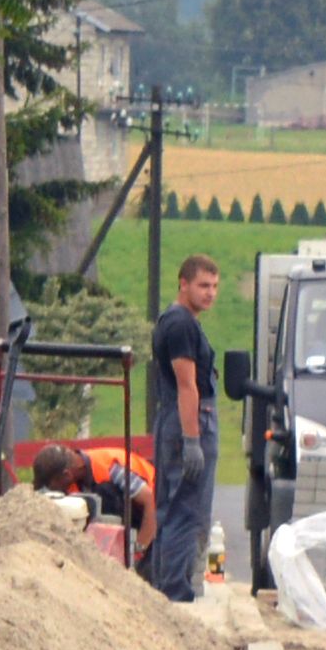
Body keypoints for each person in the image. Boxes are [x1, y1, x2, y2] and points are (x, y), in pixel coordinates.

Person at [142, 253, 224, 601]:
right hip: (188, 418)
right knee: (184, 508)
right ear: (184, 283)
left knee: (174, 505)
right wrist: (193, 440)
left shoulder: (180, 321)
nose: (211, 293)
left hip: (177, 418)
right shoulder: (180, 324)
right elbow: (187, 385)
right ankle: (175, 589)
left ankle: (164, 583)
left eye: (215, 286)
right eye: (203, 285)